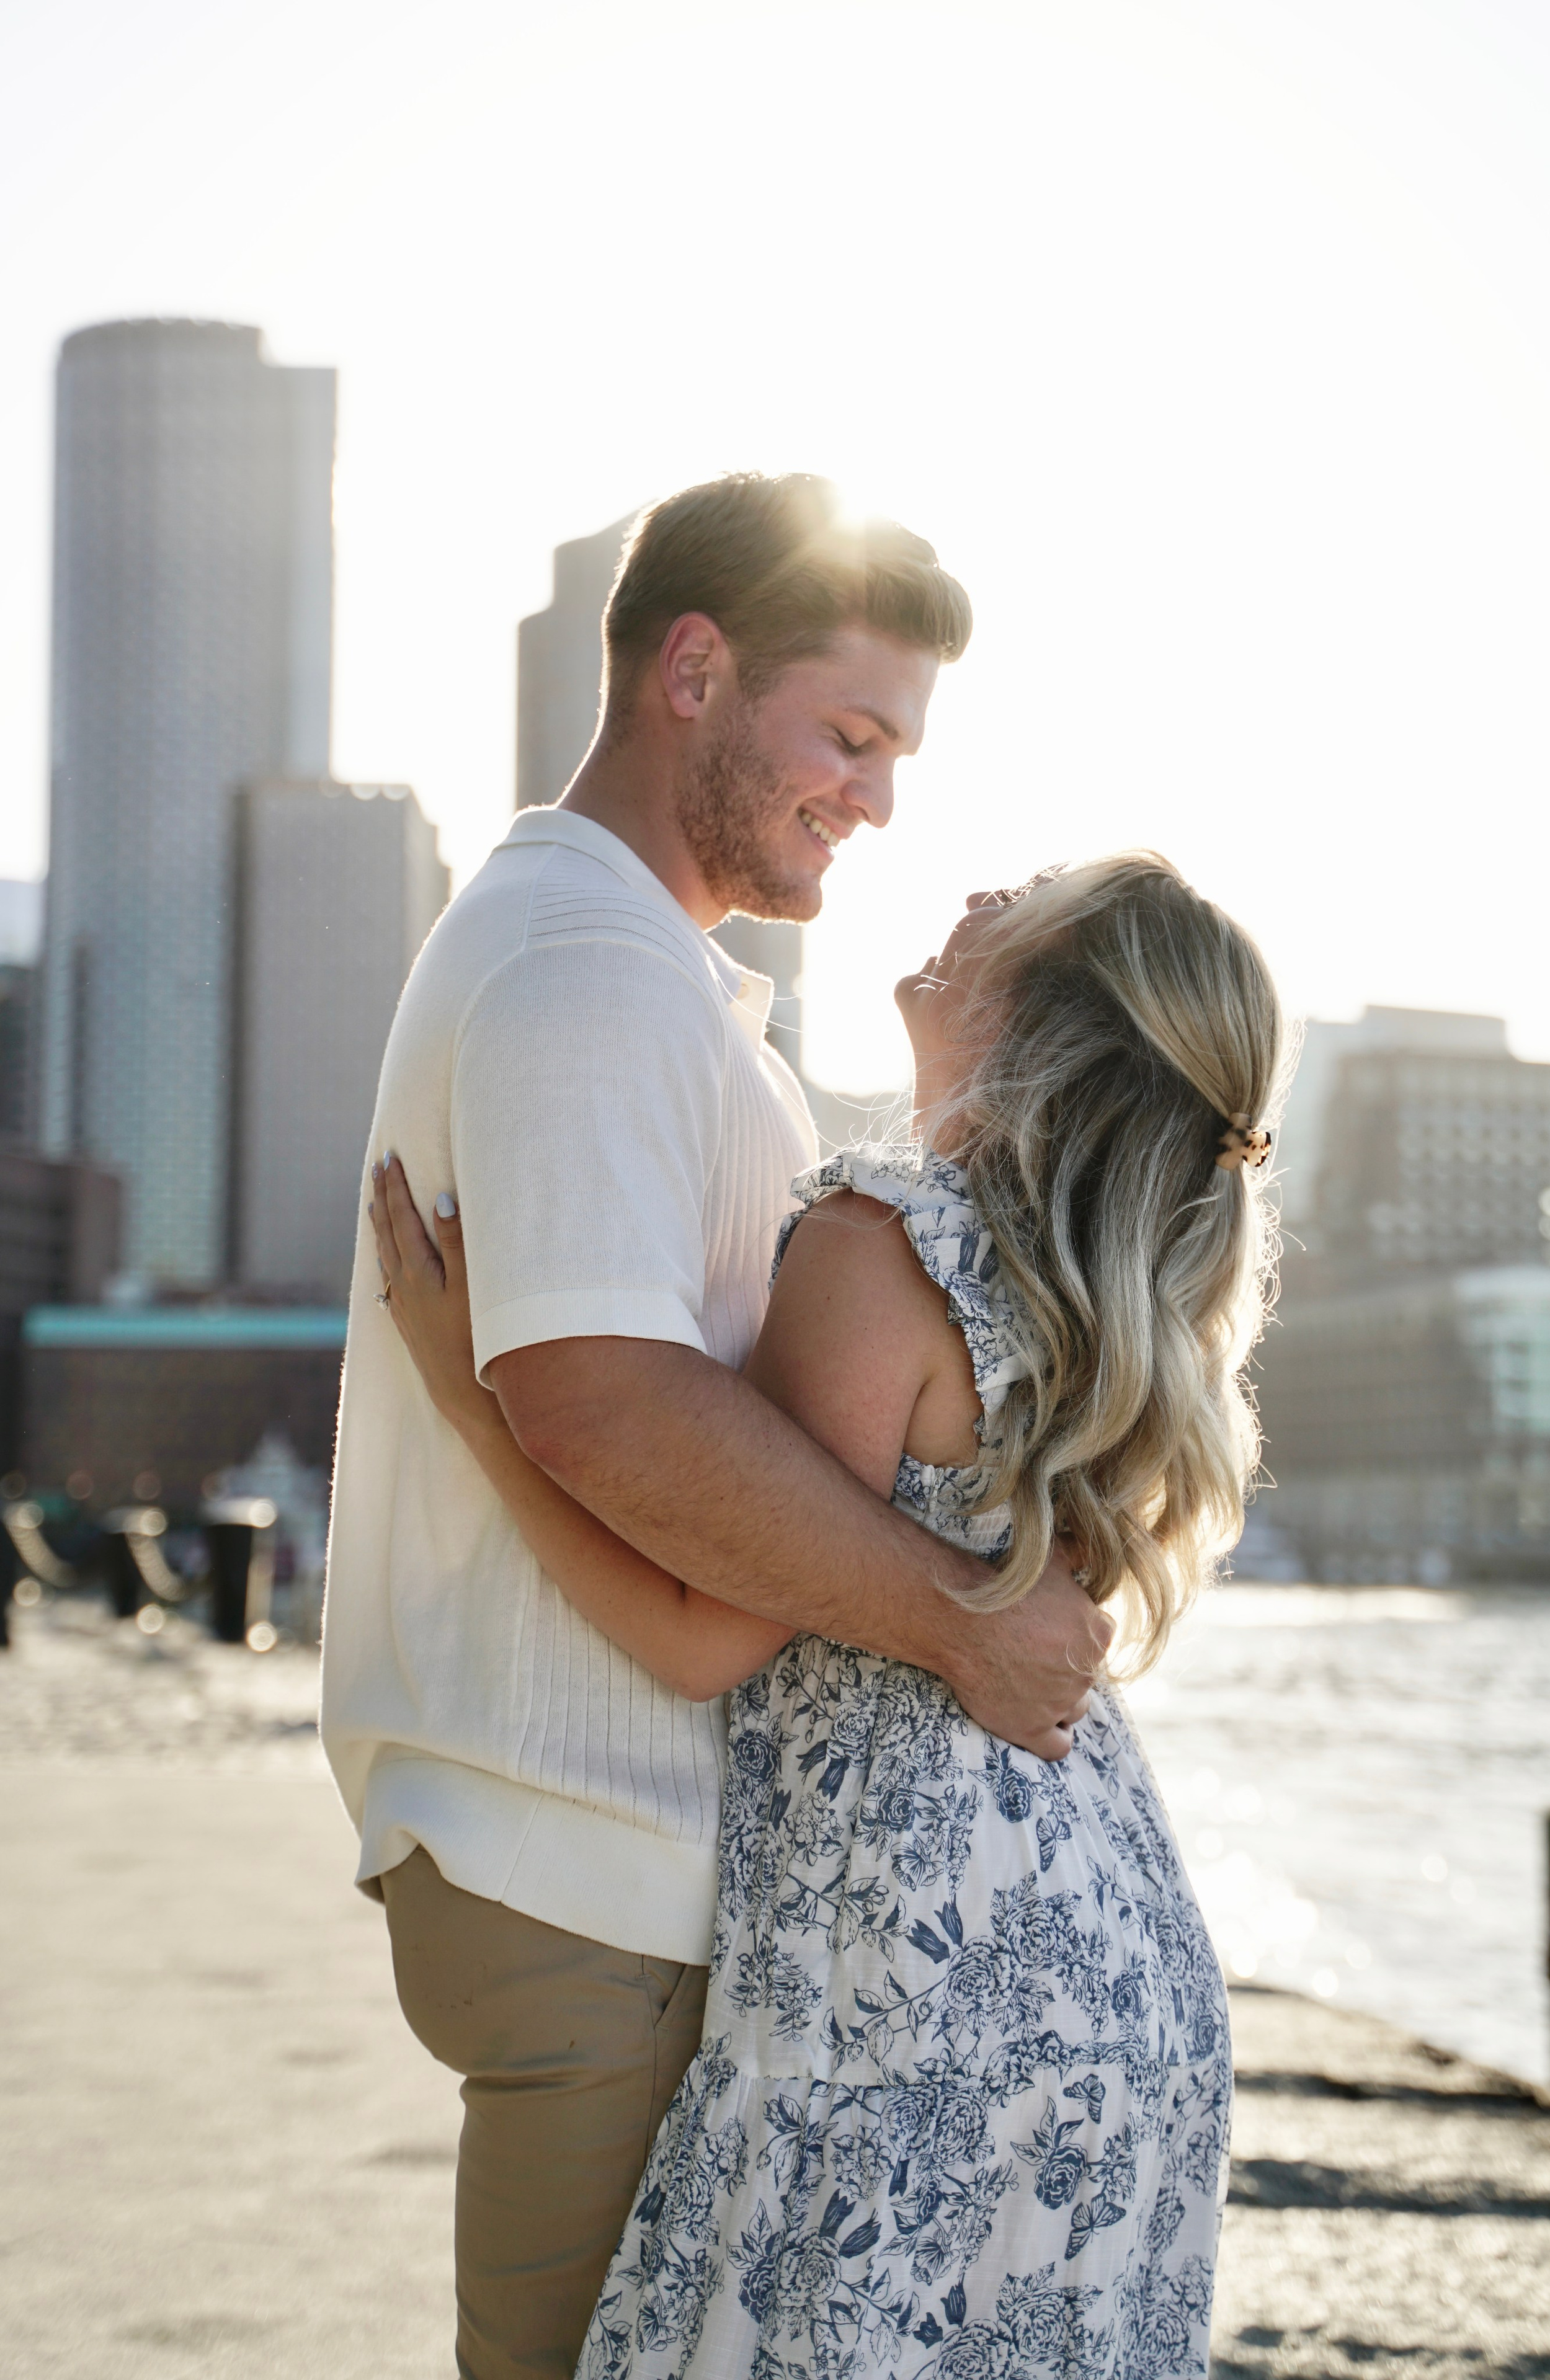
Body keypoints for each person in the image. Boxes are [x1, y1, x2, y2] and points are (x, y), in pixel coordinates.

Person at [320, 472, 1111, 2380]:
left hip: (613, 1870)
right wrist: (964, 1615)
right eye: (850, 733)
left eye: (897, 751)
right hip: (592, 1868)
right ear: (693, 671)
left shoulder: (636, 966)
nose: (878, 796)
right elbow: (603, 1399)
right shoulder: (587, 963)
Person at [370, 852, 1283, 2380]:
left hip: (915, 1957)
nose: (979, 892)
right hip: (1114, 1951)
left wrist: (475, 1398)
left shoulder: (880, 1242)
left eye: (1027, 895)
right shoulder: (1110, 1304)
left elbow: (700, 1634)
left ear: (1052, 1011)